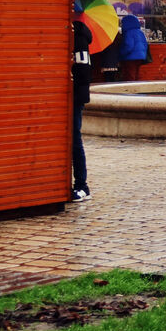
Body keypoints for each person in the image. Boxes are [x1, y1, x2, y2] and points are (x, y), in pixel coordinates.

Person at [71, 20, 94, 202]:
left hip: (75, 97)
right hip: (74, 95)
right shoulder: (77, 37)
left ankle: (82, 185)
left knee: (75, 140)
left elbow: (83, 72)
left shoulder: (78, 39)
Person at [118, 14, 150, 81]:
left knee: (130, 76)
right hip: (140, 57)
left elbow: (128, 46)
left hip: (130, 57)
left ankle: (130, 90)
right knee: (136, 74)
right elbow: (145, 44)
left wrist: (121, 53)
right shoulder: (140, 32)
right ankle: (136, 89)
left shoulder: (129, 32)